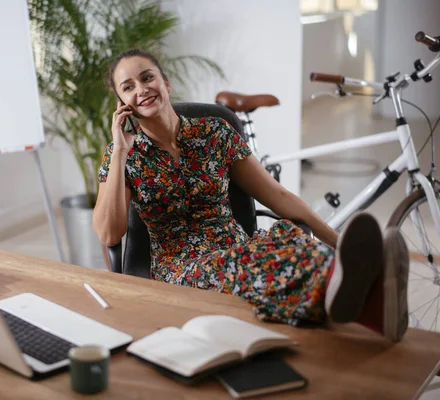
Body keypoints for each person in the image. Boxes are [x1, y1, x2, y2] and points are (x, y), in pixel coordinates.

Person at [92, 49, 410, 342]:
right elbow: (109, 233)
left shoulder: (215, 132)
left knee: (290, 239)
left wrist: (337, 241)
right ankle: (372, 298)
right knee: (259, 264)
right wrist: (119, 151)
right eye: (128, 86)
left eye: (147, 77)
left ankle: (366, 298)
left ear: (166, 82)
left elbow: (277, 196)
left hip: (238, 245)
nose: (141, 89)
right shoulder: (123, 155)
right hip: (182, 267)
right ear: (123, 103)